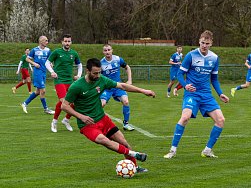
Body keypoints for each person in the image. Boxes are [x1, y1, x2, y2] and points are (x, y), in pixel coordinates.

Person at [61, 58, 156, 173]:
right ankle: (134, 154)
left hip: (103, 119)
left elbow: (122, 86)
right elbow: (64, 106)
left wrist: (143, 91)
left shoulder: (102, 80)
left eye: (99, 72)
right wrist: (81, 116)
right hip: (88, 125)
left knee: (124, 142)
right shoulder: (76, 86)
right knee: (103, 140)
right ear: (87, 71)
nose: (98, 75)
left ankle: (134, 167)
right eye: (95, 73)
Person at [164, 30, 229, 159]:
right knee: (185, 117)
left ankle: (207, 150)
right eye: (202, 43)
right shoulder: (191, 55)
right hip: (192, 94)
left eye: (207, 43)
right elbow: (179, 74)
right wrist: (185, 85)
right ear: (199, 42)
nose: (204, 45)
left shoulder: (214, 58)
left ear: (211, 43)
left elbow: (214, 79)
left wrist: (220, 93)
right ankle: (172, 150)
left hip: (206, 95)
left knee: (221, 120)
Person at [45, 34, 83, 133]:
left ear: (71, 42)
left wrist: (78, 75)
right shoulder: (57, 52)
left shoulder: (74, 53)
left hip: (70, 81)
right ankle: (54, 121)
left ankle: (66, 120)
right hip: (59, 80)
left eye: (69, 41)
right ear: (62, 42)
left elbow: (79, 65)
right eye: (65, 41)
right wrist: (52, 72)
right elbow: (47, 62)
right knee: (64, 102)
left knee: (75, 103)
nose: (67, 43)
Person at [100, 44, 135, 131]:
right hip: (107, 88)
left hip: (118, 86)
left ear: (112, 50)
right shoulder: (101, 63)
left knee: (126, 101)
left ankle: (126, 124)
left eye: (109, 50)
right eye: (105, 50)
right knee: (102, 104)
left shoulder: (118, 59)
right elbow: (98, 76)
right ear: (103, 52)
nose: (107, 52)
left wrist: (129, 80)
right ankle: (98, 123)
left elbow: (127, 67)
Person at [20, 36, 55, 115]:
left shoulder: (48, 50)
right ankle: (46, 109)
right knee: (43, 90)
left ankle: (24, 103)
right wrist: (34, 63)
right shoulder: (34, 50)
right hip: (37, 72)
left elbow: (49, 60)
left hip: (43, 72)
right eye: (46, 40)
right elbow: (27, 59)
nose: (47, 42)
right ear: (41, 41)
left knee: (38, 91)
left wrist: (51, 64)